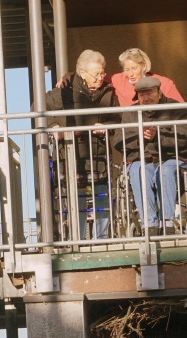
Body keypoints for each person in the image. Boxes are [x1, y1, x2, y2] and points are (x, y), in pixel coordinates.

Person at [45, 49, 120, 240]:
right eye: (96, 74)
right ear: (82, 73)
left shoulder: (108, 93)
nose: (101, 77)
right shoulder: (63, 92)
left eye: (102, 72)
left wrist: (105, 126)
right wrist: (55, 126)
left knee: (101, 196)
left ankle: (101, 239)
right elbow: (39, 109)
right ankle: (76, 239)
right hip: (72, 155)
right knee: (77, 198)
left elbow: (117, 119)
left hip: (99, 154)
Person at [117, 76, 187, 236]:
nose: (146, 98)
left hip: (171, 158)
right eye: (141, 95)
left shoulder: (174, 108)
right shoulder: (130, 113)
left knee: (164, 170)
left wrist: (158, 136)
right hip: (142, 159)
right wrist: (140, 137)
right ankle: (149, 224)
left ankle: (167, 222)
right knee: (137, 170)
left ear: (159, 92)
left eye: (149, 93)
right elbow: (119, 141)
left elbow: (184, 137)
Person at [111, 48, 184, 107]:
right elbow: (100, 79)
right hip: (132, 123)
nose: (130, 74)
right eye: (127, 69)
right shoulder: (118, 80)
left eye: (134, 68)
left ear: (144, 66)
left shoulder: (165, 83)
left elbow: (181, 109)